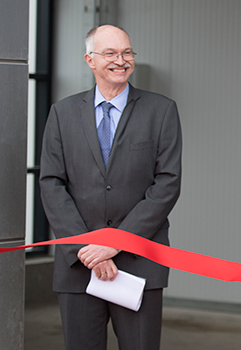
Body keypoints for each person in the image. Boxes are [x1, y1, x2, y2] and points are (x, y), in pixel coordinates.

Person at [40, 24, 182, 349]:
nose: (121, 60)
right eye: (110, 53)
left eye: (127, 52)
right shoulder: (62, 114)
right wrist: (89, 249)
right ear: (90, 60)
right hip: (79, 264)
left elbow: (167, 184)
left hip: (139, 265)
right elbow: (51, 184)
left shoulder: (161, 111)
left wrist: (114, 244)